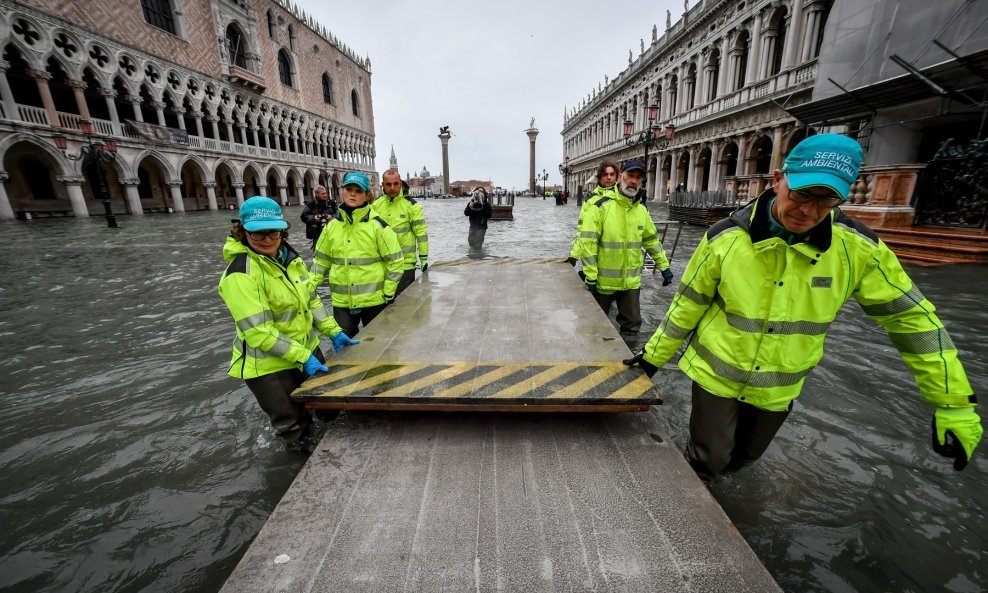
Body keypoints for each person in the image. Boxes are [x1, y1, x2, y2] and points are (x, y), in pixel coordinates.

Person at [624, 134, 982, 478]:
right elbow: (689, 304)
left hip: (779, 385)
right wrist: (654, 356)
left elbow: (912, 320)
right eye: (802, 194)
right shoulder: (725, 237)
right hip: (716, 376)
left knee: (744, 460)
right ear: (778, 179)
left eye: (826, 201)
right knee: (709, 459)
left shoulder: (858, 249)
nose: (809, 211)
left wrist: (954, 402)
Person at [218, 197, 359, 449]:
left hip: (305, 349)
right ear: (242, 231)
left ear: (282, 230)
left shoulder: (290, 259)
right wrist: (302, 356)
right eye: (257, 233)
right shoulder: (240, 274)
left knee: (329, 405)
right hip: (269, 367)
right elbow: (259, 332)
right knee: (294, 427)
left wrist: (333, 330)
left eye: (272, 231)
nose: (267, 239)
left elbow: (312, 300)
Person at [575, 159, 673, 335]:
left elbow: (651, 241)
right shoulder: (600, 206)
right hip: (603, 282)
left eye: (638, 178)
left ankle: (626, 361)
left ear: (642, 182)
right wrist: (590, 275)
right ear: (621, 177)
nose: (633, 181)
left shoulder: (641, 210)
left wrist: (663, 266)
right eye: (630, 175)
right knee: (594, 325)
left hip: (631, 283)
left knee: (632, 325)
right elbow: (587, 243)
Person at [311, 172, 404, 337]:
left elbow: (395, 261)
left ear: (367, 195)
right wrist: (307, 289)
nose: (353, 193)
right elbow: (320, 262)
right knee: (344, 346)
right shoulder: (331, 227)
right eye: (349, 189)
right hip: (342, 302)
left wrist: (389, 292)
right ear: (342, 191)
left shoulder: (378, 226)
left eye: (358, 191)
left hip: (374, 300)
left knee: (378, 342)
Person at [371, 169, 430, 296]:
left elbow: (421, 235)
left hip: (406, 265)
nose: (392, 187)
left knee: (405, 305)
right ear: (383, 185)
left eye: (396, 184)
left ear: (400, 183)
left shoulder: (412, 206)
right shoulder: (375, 206)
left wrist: (424, 259)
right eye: (388, 184)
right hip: (382, 266)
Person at [566, 159, 620, 267]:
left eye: (612, 174)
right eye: (605, 174)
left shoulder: (624, 199)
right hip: (595, 257)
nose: (609, 177)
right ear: (599, 178)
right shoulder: (590, 202)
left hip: (618, 257)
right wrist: (574, 255)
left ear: (617, 177)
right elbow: (582, 230)